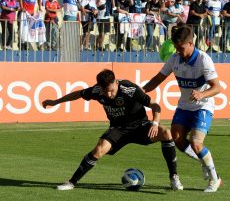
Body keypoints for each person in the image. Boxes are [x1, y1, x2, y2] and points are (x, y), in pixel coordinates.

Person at [42, 69, 183, 191]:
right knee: (98, 150)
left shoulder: (130, 89)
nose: (108, 95)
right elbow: (77, 94)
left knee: (165, 132)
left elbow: (155, 106)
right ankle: (72, 182)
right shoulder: (97, 90)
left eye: (111, 91)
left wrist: (154, 123)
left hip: (140, 126)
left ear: (116, 82)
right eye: (105, 91)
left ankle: (174, 177)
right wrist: (55, 102)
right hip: (118, 129)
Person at [143, 25, 222, 193]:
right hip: (184, 106)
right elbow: (157, 79)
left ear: (190, 43)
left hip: (203, 105)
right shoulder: (174, 58)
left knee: (196, 142)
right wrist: (141, 92)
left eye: (181, 48)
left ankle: (215, 180)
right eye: (176, 48)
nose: (178, 51)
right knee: (177, 139)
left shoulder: (203, 59)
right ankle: (203, 161)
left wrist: (202, 95)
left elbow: (217, 87)